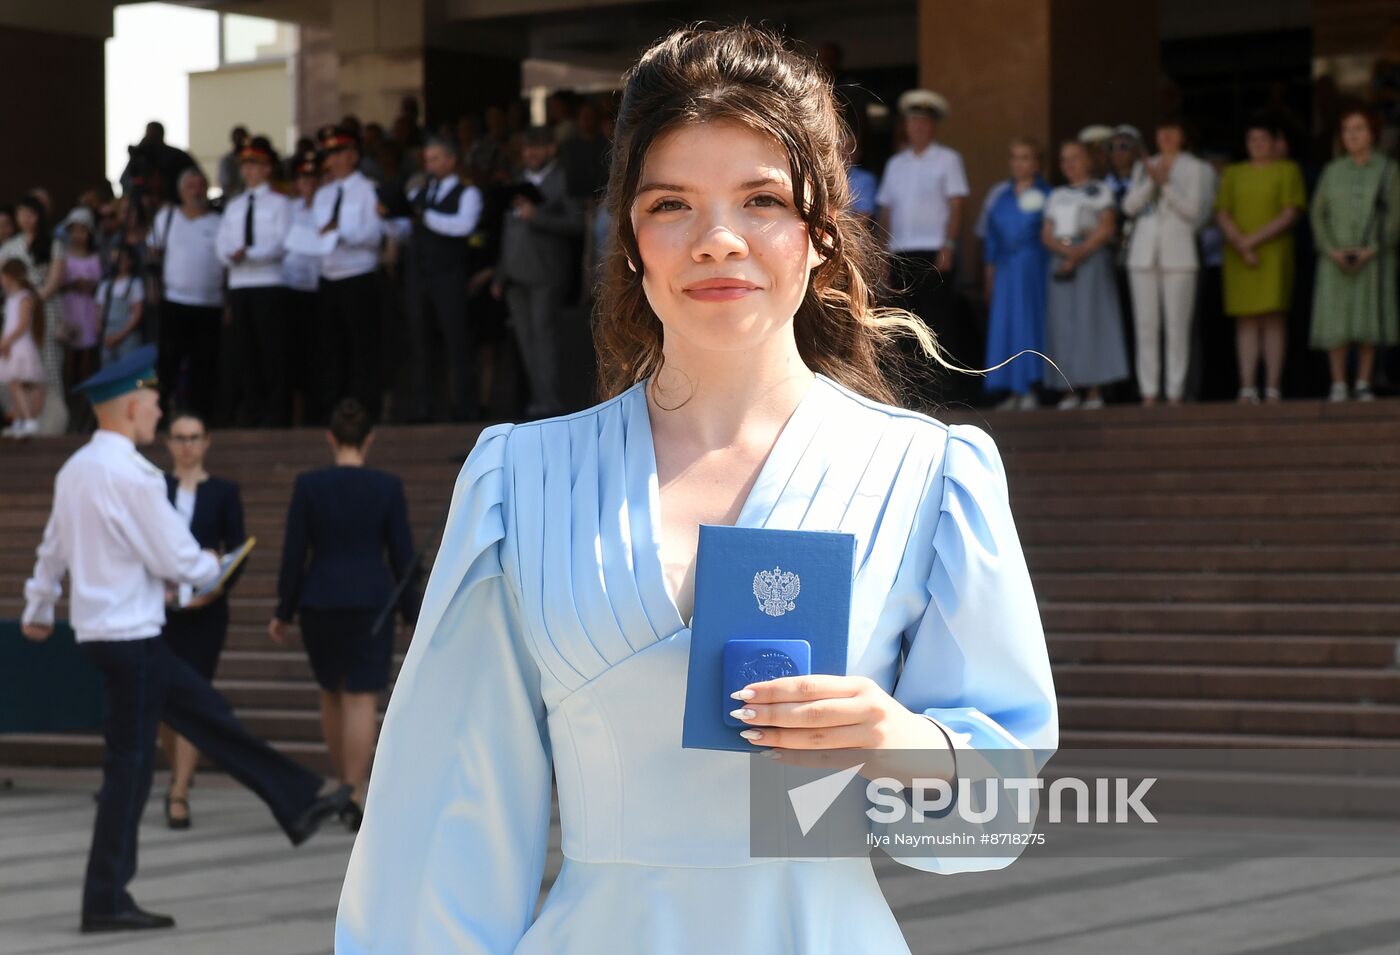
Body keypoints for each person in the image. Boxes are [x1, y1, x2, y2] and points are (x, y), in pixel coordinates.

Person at [337, 25, 1057, 953]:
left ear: (822, 232)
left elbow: (994, 823)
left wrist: (899, 739)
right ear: (631, 238)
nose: (718, 240)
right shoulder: (519, 480)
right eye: (671, 203)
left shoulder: (930, 476)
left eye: (761, 199)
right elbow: (444, 815)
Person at [19, 345, 351, 935]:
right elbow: (174, 556)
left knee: (206, 717)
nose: (157, 413)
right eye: (151, 403)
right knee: (131, 768)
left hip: (104, 634)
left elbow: (52, 547)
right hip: (132, 636)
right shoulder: (136, 477)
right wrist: (211, 566)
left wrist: (39, 605)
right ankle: (106, 899)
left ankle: (297, 802)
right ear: (126, 408)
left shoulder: (74, 471)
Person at [271, 398, 419, 831]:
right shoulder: (387, 486)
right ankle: (354, 792)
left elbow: (294, 554)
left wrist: (283, 609)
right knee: (362, 698)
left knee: (331, 693)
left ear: (330, 438)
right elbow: (403, 556)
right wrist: (411, 612)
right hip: (371, 601)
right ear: (369, 439)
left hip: (320, 602)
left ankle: (342, 784)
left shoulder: (309, 485)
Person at [157, 409, 246, 829]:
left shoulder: (224, 491)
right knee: (163, 699)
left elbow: (238, 549)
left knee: (193, 694)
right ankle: (177, 775)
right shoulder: (153, 488)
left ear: (207, 441)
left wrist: (215, 587)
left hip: (206, 613)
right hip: (158, 611)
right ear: (168, 442)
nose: (188, 445)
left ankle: (179, 789)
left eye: (194, 437)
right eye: (180, 437)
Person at [876, 89, 970, 400]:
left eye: (924, 123)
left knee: (939, 321)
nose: (918, 128)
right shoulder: (896, 164)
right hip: (902, 252)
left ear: (933, 127)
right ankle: (913, 394)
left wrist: (949, 245)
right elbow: (886, 211)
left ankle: (945, 392)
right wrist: (883, 255)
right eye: (913, 123)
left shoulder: (948, 159)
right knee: (906, 324)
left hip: (933, 250)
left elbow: (957, 205)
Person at [492, 125, 584, 418]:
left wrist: (538, 217)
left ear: (551, 149)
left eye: (537, 147)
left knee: (545, 342)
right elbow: (509, 231)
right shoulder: (519, 181)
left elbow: (577, 224)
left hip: (547, 273)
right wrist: (500, 274)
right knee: (526, 342)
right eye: (526, 148)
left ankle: (552, 405)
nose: (530, 153)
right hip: (515, 275)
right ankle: (538, 402)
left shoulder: (563, 180)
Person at [1213, 114, 1306, 404]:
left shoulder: (1287, 170)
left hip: (1272, 253)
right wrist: (1241, 244)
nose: (1257, 144)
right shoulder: (1233, 173)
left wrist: (1250, 242)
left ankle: (1273, 386)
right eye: (1252, 139)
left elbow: (1290, 213)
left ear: (1274, 142)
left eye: (1263, 139)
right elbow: (1221, 211)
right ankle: (1247, 386)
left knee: (1273, 319)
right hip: (1239, 255)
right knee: (1246, 321)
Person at [1309, 106, 1400, 401]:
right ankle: (1337, 382)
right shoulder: (1332, 171)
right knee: (1336, 319)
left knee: (1367, 318)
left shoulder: (1388, 169)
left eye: (1358, 129)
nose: (1352, 135)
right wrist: (1330, 248)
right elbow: (1318, 213)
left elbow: (1395, 215)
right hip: (1335, 258)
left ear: (1372, 133)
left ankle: (1363, 381)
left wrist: (1371, 249)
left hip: (1374, 257)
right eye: (1347, 129)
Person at [1123, 117, 1213, 406]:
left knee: (1177, 327)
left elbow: (1195, 212)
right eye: (1162, 131)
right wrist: (1151, 181)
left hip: (1180, 254)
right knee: (1146, 326)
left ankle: (1175, 391)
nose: (1166, 137)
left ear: (1183, 136)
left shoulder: (1196, 167)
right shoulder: (1143, 166)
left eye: (1173, 131)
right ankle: (1149, 391)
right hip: (1143, 255)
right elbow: (1129, 207)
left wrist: (1168, 186)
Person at [1041, 140, 1130, 409]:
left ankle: (1094, 390)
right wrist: (1066, 255)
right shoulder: (1056, 195)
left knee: (1093, 323)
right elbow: (1046, 233)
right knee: (1064, 326)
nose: (1069, 164)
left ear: (1088, 160)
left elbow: (1107, 227)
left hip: (1090, 260)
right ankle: (1069, 391)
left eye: (1075, 157)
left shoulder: (1100, 190)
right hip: (1061, 261)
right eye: (1064, 159)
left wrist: (1077, 254)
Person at [404, 136, 484, 422]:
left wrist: (425, 216)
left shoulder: (467, 193)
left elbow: (463, 226)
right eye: (428, 159)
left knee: (456, 342)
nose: (431, 164)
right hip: (420, 277)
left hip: (449, 277)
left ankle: (464, 408)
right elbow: (404, 224)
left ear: (452, 160)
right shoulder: (421, 192)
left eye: (436, 158)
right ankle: (425, 408)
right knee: (422, 343)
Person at [216, 135, 293, 426]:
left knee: (271, 351)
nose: (248, 171)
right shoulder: (234, 205)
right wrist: (231, 256)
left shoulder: (279, 203)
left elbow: (283, 242)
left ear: (267, 169)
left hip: (269, 283)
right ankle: (251, 410)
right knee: (244, 351)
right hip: (240, 285)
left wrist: (250, 254)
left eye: (255, 165)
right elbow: (221, 242)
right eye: (245, 165)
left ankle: (276, 413)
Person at [312, 124, 385, 420]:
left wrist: (341, 233)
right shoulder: (323, 194)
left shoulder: (368, 190)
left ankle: (364, 409)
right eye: (330, 154)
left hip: (359, 275)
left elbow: (374, 234)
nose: (334, 159)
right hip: (329, 276)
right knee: (331, 348)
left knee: (362, 348)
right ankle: (334, 410)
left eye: (340, 152)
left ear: (354, 155)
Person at [149, 168, 225, 421]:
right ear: (181, 191)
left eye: (200, 185)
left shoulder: (218, 221)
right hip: (175, 301)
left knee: (205, 364)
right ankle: (159, 415)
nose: (196, 191)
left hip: (210, 304)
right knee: (168, 362)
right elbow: (152, 253)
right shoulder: (167, 217)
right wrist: (153, 289)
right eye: (190, 186)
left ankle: (202, 416)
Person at [981, 138, 1049, 410]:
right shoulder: (1001, 197)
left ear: (1037, 163)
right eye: (1014, 157)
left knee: (1030, 326)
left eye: (1025, 157)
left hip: (1034, 270)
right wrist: (989, 279)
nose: (1018, 163)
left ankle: (1031, 388)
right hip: (1006, 272)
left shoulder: (1048, 193)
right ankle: (1012, 391)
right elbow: (991, 243)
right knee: (1007, 326)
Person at [1, 194, 68, 434]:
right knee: (18, 370)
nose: (25, 219)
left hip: (45, 312)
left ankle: (52, 425)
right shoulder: (10, 247)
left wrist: (31, 299)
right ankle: (22, 419)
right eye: (21, 213)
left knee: (47, 365)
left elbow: (55, 279)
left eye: (30, 213)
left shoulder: (54, 244)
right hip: (17, 312)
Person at [283, 150, 323, 425]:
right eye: (303, 180)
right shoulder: (288, 209)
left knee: (319, 353)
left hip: (321, 288)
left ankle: (317, 412)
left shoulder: (328, 205)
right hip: (292, 288)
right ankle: (296, 416)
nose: (308, 185)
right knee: (293, 354)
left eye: (313, 179)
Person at [56, 208, 105, 425]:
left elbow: (100, 286)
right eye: (74, 231)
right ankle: (66, 398)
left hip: (87, 309)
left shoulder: (95, 257)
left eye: (82, 231)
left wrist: (89, 286)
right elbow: (58, 282)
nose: (78, 235)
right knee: (69, 356)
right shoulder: (63, 255)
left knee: (86, 356)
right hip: (68, 308)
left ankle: (85, 398)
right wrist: (71, 284)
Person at [0, 258, 47, 437]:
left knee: (16, 383)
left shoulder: (24, 297)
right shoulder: (12, 299)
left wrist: (5, 342)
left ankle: (28, 420)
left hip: (20, 346)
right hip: (12, 345)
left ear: (10, 277)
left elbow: (21, 325)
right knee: (14, 385)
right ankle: (19, 420)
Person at [97, 245, 145, 366]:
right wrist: (102, 334)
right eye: (118, 259)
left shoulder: (135, 283)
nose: (121, 262)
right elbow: (99, 312)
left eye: (125, 259)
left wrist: (119, 336)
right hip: (107, 333)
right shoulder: (105, 285)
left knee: (128, 368)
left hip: (127, 334)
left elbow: (137, 313)